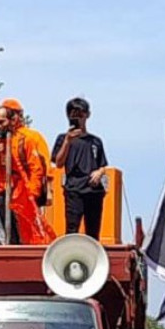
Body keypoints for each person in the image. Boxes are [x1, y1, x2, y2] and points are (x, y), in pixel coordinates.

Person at [0, 105, 51, 245]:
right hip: (2, 194)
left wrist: (33, 196)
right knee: (8, 235)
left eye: (2, 122)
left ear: (12, 120)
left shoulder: (26, 139)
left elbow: (37, 169)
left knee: (30, 234)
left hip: (24, 194)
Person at [52, 97, 109, 240]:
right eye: (73, 114)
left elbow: (103, 165)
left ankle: (92, 260)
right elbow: (58, 163)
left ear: (87, 115)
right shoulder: (62, 138)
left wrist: (99, 172)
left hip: (94, 190)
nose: (78, 117)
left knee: (93, 231)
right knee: (72, 230)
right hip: (73, 190)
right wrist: (67, 141)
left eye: (81, 114)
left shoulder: (95, 141)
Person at [0, 98, 51, 206]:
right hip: (7, 191)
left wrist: (40, 192)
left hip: (28, 192)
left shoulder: (31, 137)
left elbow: (42, 167)